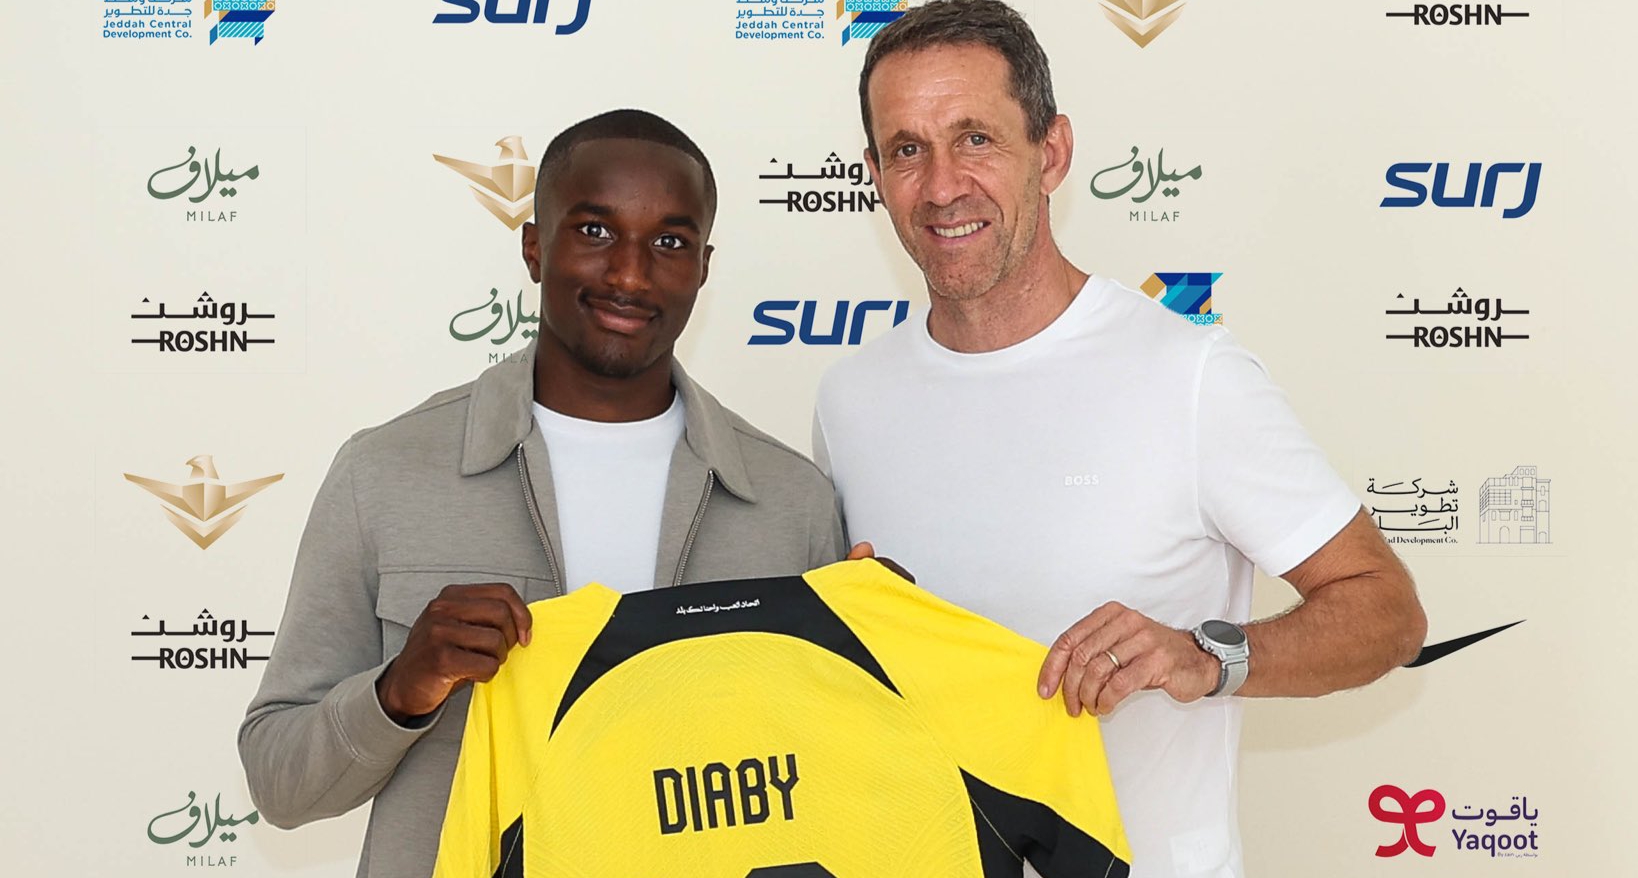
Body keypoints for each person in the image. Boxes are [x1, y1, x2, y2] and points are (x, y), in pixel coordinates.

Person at [813, 3, 1428, 877]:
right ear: (876, 174)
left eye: (976, 139)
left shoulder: (1191, 375)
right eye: (907, 150)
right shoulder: (849, 401)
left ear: (1052, 152)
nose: (943, 185)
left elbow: (1388, 611)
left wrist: (1207, 656)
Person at [239, 109, 846, 878]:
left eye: (669, 243)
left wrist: (883, 666)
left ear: (703, 268)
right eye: (594, 231)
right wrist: (400, 690)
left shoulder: (792, 503)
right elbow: (279, 783)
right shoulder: (384, 471)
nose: (630, 275)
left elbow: (835, 782)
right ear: (534, 247)